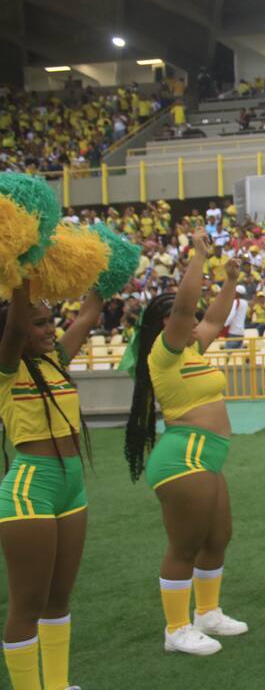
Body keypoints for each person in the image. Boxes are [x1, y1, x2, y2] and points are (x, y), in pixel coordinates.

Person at [122, 229, 249, 656]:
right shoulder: (165, 351)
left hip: (206, 459)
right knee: (185, 546)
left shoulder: (193, 349)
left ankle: (207, 612)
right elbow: (186, 307)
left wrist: (230, 281)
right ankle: (175, 629)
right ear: (166, 325)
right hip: (183, 458)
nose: (195, 323)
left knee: (218, 538)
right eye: (184, 319)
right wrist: (198, 256)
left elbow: (212, 318)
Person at [0, 283, 100, 690]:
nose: (50, 330)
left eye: (51, 321)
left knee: (59, 599)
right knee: (28, 604)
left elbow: (91, 313)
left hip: (71, 490)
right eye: (40, 323)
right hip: (30, 492)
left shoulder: (56, 360)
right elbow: (14, 333)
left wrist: (105, 269)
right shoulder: (7, 367)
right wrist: (21, 272)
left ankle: (57, 685)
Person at [223, 284, 248, 349]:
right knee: (238, 356)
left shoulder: (235, 302)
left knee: (228, 355)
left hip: (233, 332)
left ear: (236, 293)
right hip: (241, 332)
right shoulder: (245, 303)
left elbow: (231, 316)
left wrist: (224, 325)